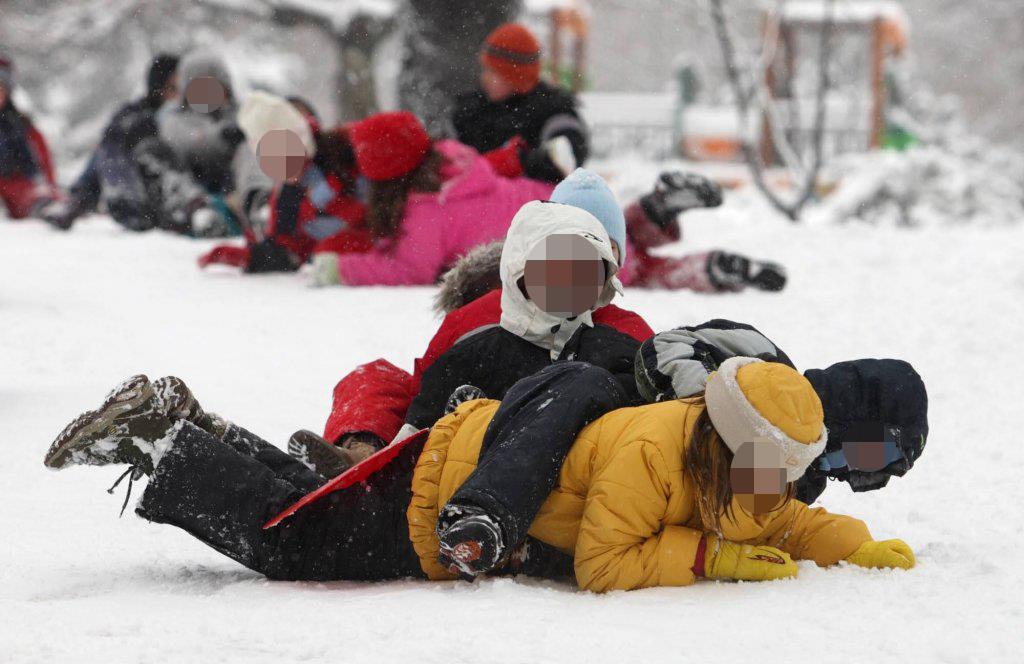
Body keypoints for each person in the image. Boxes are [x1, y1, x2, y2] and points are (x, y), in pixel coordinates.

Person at [42, 358, 915, 591]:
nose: (777, 490)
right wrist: (704, 560)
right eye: (769, 468)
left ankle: (195, 424)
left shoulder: (736, 470)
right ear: (730, 441)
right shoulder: (655, 449)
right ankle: (166, 445)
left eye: (789, 476)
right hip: (441, 501)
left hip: (462, 453)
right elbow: (608, 564)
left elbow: (780, 524)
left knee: (308, 507)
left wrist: (852, 543)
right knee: (293, 544)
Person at [434, 319, 928, 576]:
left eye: (872, 472)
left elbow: (773, 525)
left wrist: (853, 545)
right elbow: (665, 346)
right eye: (865, 453)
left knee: (581, 521)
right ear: (849, 412)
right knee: (582, 388)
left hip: (630, 483)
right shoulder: (765, 366)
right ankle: (495, 421)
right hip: (628, 402)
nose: (850, 469)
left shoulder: (794, 471)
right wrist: (711, 408)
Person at [309, 110, 553, 287]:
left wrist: (341, 269)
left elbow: (413, 270)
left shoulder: (427, 208)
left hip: (550, 233)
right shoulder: (447, 169)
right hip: (548, 201)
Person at [197, 92, 371, 273]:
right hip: (363, 255)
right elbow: (286, 251)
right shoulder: (286, 198)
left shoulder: (344, 147)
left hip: (393, 228)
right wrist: (247, 257)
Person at [43, 54, 180, 231]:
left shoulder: (184, 117)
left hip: (169, 191)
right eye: (172, 88)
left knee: (116, 146)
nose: (177, 95)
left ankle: (84, 200)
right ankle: (99, 199)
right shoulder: (138, 113)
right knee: (111, 144)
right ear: (159, 86)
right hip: (141, 184)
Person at [451, 22, 587, 183]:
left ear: (515, 77)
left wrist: (523, 161)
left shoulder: (551, 109)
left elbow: (567, 152)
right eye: (485, 70)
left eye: (494, 72)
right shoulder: (470, 109)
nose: (485, 78)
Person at [0, 52, 59, 220]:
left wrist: (47, 188)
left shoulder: (20, 126)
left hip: (17, 187)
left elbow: (43, 162)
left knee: (37, 197)